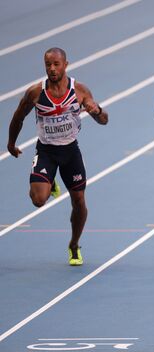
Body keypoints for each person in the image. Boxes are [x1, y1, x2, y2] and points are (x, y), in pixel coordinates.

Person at [7, 47, 108, 266]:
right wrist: (11, 143)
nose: (52, 69)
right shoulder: (35, 93)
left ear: (66, 65)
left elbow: (104, 120)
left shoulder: (80, 90)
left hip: (70, 151)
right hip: (46, 152)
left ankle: (74, 245)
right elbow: (18, 117)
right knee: (38, 201)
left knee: (79, 201)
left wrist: (95, 110)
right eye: (48, 65)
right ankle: (48, 180)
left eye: (56, 64)